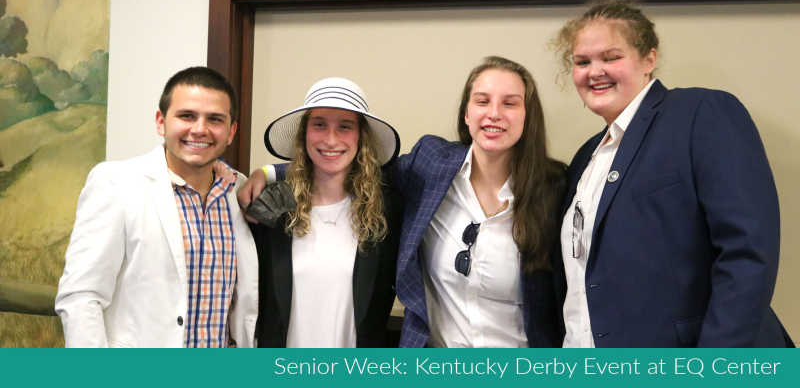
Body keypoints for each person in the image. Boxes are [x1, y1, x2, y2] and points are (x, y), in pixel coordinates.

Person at [239, 56, 566, 347]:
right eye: (482, 101)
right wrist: (269, 173)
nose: (494, 113)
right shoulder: (432, 165)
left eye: (510, 103)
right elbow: (336, 163)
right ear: (467, 112)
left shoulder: (554, 188)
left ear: (527, 115)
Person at [552, 0, 793, 347]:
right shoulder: (585, 159)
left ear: (649, 58)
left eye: (611, 57)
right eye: (582, 61)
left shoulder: (701, 114)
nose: (595, 71)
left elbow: (748, 253)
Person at [55, 67, 258, 348]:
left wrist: (269, 172)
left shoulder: (239, 191)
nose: (200, 129)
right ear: (161, 122)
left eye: (215, 119)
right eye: (187, 116)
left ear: (231, 131)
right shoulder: (116, 183)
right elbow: (81, 297)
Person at [247, 77, 402, 347]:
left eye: (345, 127)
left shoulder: (384, 211)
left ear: (360, 137)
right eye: (319, 125)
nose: (331, 140)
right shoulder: (274, 204)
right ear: (305, 133)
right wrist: (265, 172)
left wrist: (268, 170)